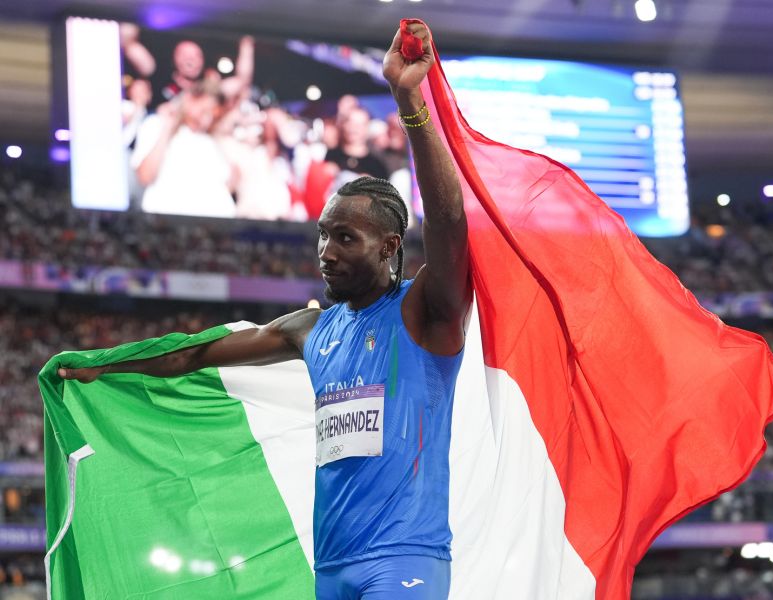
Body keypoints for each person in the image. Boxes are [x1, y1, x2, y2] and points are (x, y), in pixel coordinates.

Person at [60, 22, 471, 600]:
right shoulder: (312, 329)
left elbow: (452, 225)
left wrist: (410, 103)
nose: (325, 253)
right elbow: (196, 355)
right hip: (330, 569)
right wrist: (108, 365)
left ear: (389, 247)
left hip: (405, 560)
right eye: (322, 236)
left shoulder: (426, 315)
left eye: (345, 238)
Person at [131, 80, 237, 218]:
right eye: (204, 111)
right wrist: (169, 127)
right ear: (190, 99)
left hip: (214, 225)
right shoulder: (156, 125)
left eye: (213, 115)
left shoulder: (211, 142)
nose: (207, 120)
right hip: (168, 221)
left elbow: (229, 180)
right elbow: (145, 176)